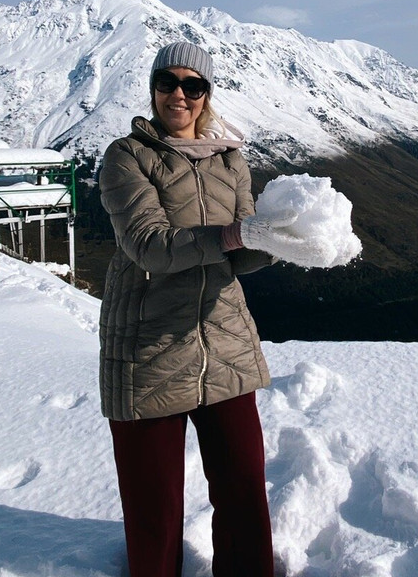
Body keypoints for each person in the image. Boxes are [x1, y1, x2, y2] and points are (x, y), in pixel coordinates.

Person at [97, 41, 280, 577]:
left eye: (193, 85)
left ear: (207, 94)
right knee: (153, 511)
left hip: (222, 340)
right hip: (149, 345)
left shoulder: (231, 158)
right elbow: (148, 245)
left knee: (245, 492)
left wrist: (283, 241)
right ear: (153, 89)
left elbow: (241, 256)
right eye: (168, 83)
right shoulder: (126, 157)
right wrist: (234, 234)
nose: (179, 94)